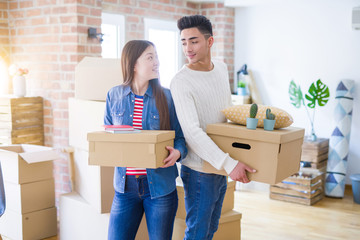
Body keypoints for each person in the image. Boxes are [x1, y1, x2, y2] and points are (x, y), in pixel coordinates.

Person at [170, 15, 256, 239]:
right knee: (198, 233)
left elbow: (225, 115)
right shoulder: (181, 81)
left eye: (194, 41)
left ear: (210, 42)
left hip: (219, 164)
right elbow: (191, 132)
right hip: (200, 171)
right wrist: (229, 163)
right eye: (184, 42)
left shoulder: (221, 69)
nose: (188, 48)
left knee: (210, 230)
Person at [105, 40, 187, 240]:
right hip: (125, 188)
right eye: (150, 57)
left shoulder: (167, 97)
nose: (157, 62)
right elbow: (108, 137)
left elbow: (181, 138)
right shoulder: (114, 95)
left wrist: (177, 152)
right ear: (134, 64)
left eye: (156, 57)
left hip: (159, 188)